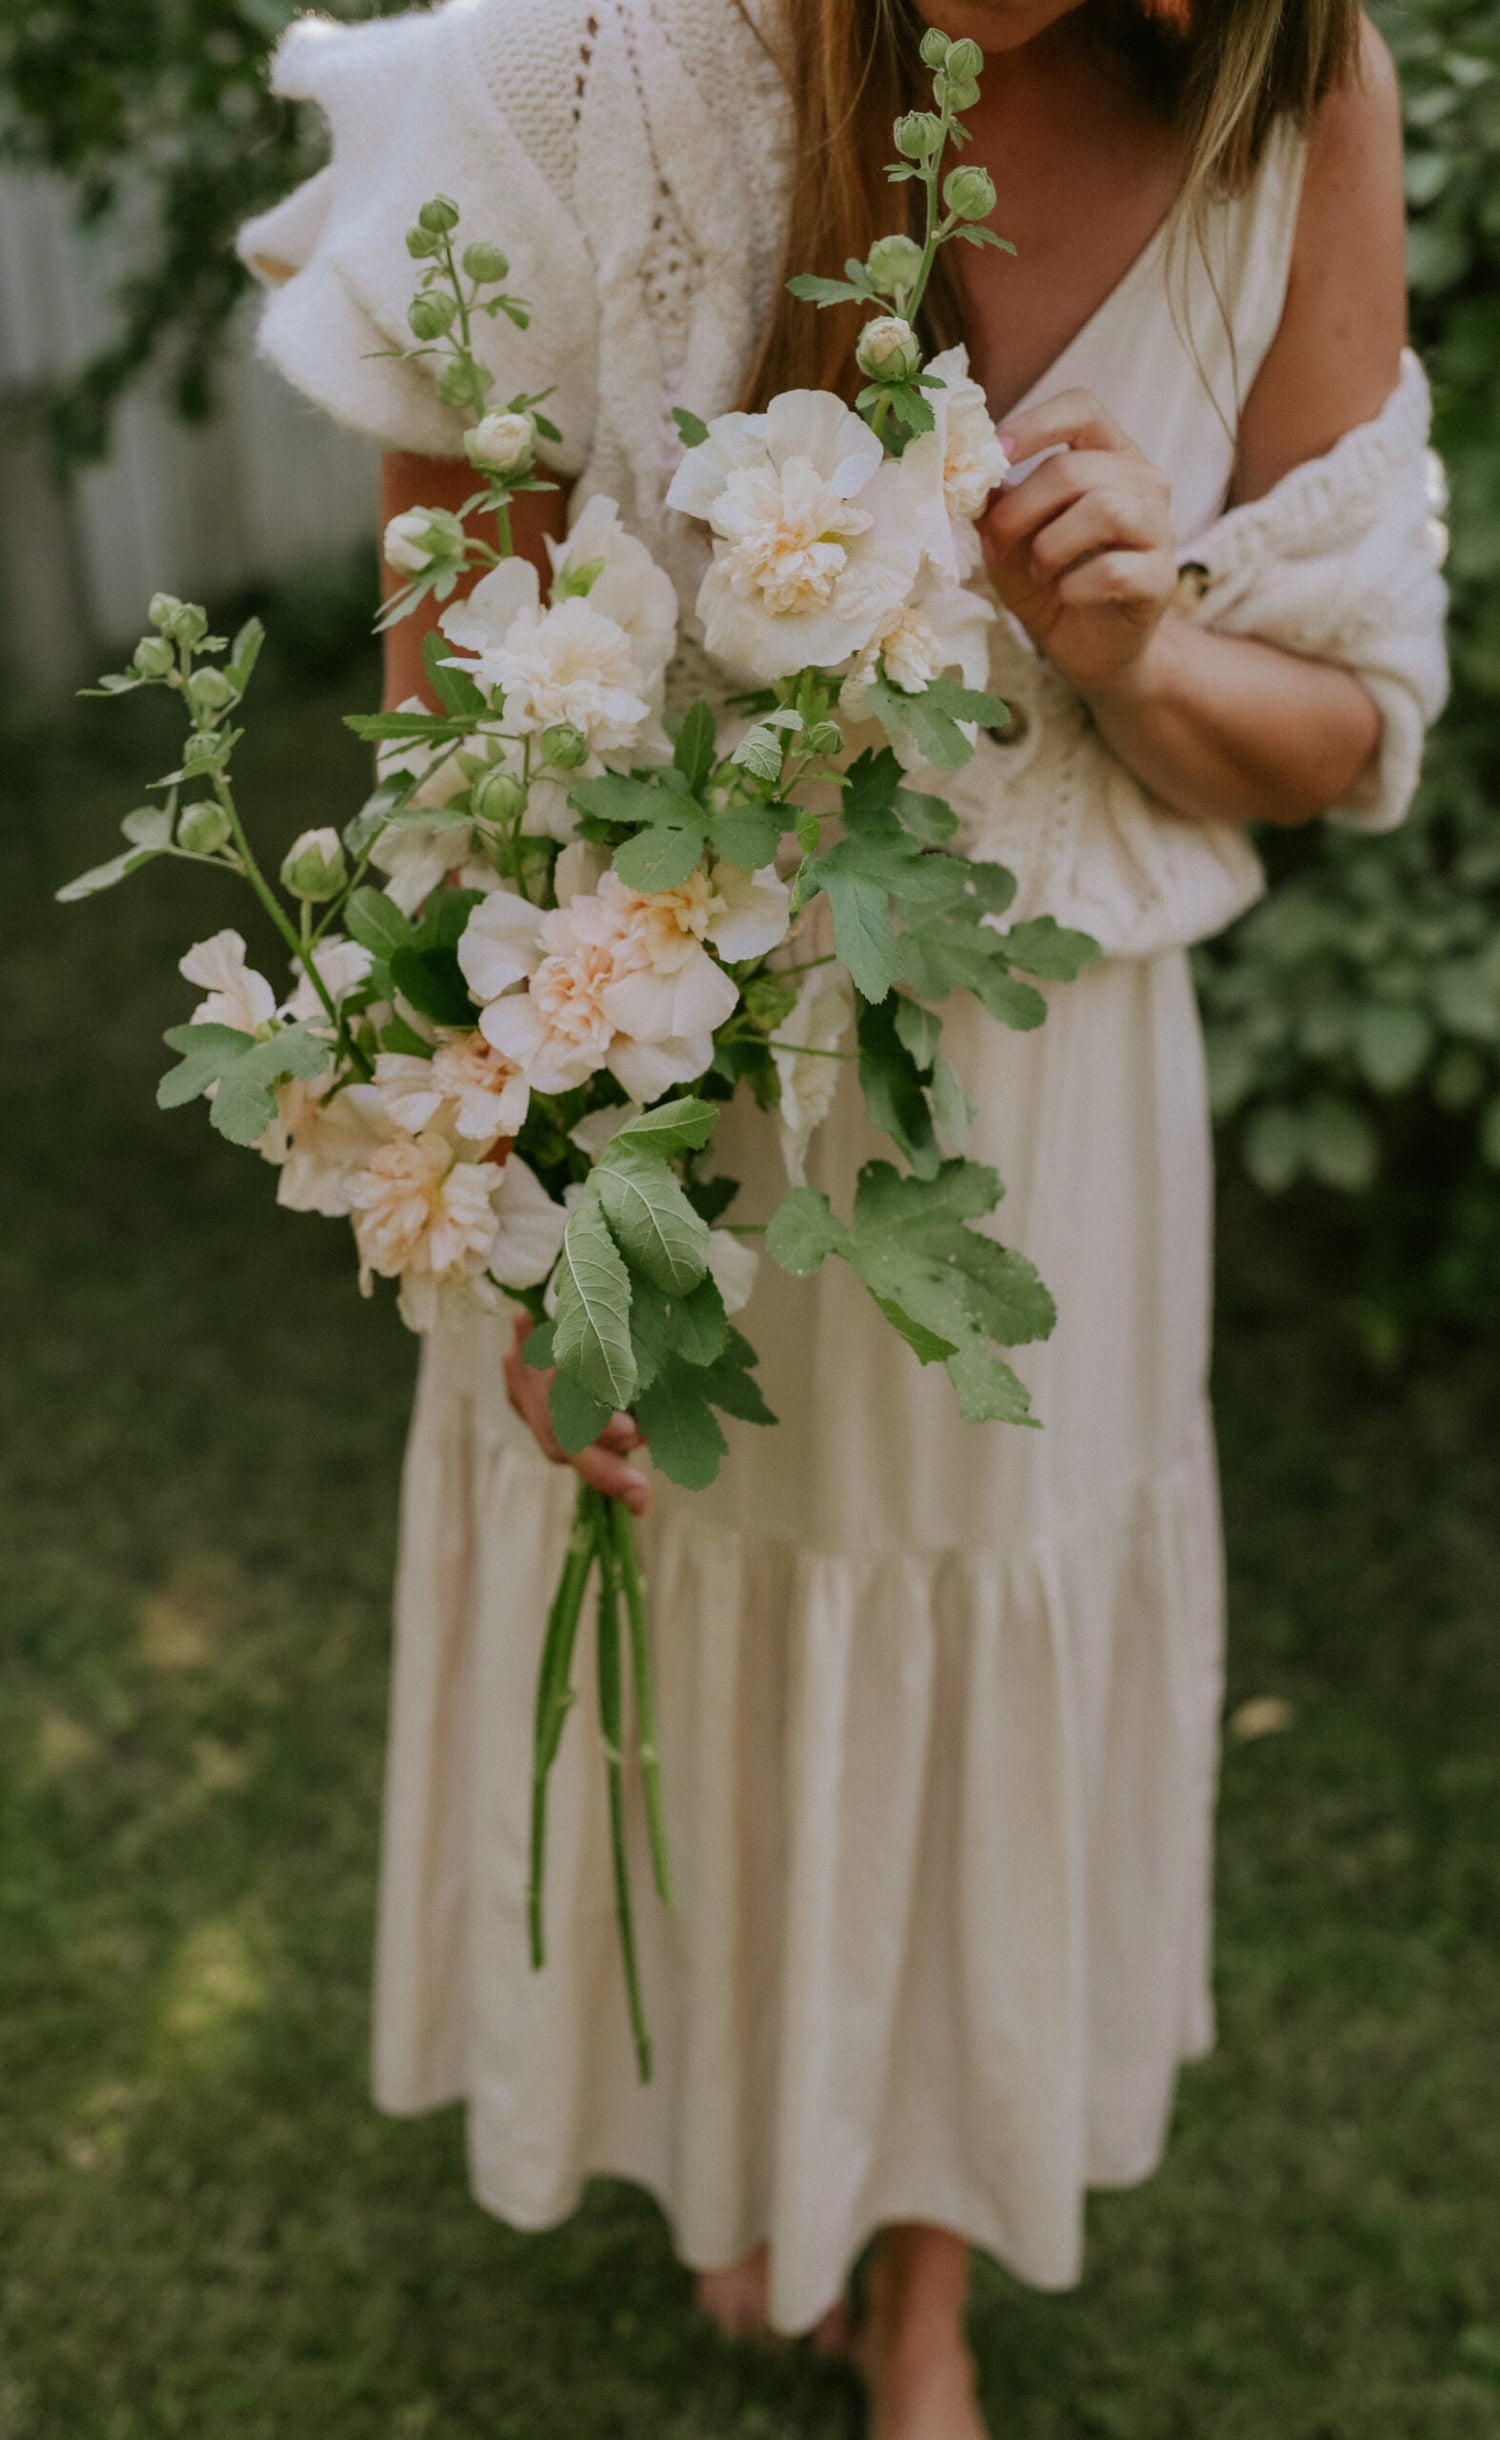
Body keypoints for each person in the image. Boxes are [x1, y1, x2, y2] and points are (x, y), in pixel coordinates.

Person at [239, 0, 1446, 2431]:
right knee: (701, 1611)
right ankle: (758, 2145)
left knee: (969, 1616)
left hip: (1047, 1088)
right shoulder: (565, 65)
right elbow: (444, 734)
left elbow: (1343, 727)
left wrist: (1130, 642)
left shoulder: (1296, 86)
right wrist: (533, 1210)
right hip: (656, 1058)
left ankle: (924, 2273)